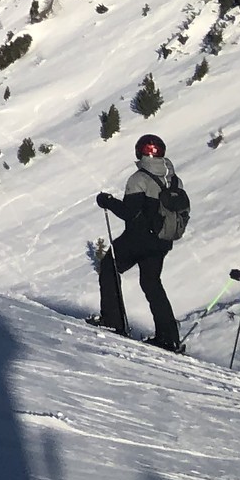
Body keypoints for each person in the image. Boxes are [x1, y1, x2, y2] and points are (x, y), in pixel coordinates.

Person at [93, 133, 185, 352]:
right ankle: (169, 337)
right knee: (152, 283)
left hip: (138, 239)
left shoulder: (139, 179)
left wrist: (107, 201)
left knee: (109, 267)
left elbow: (128, 212)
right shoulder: (174, 179)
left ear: (139, 152)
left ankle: (113, 321)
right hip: (162, 241)